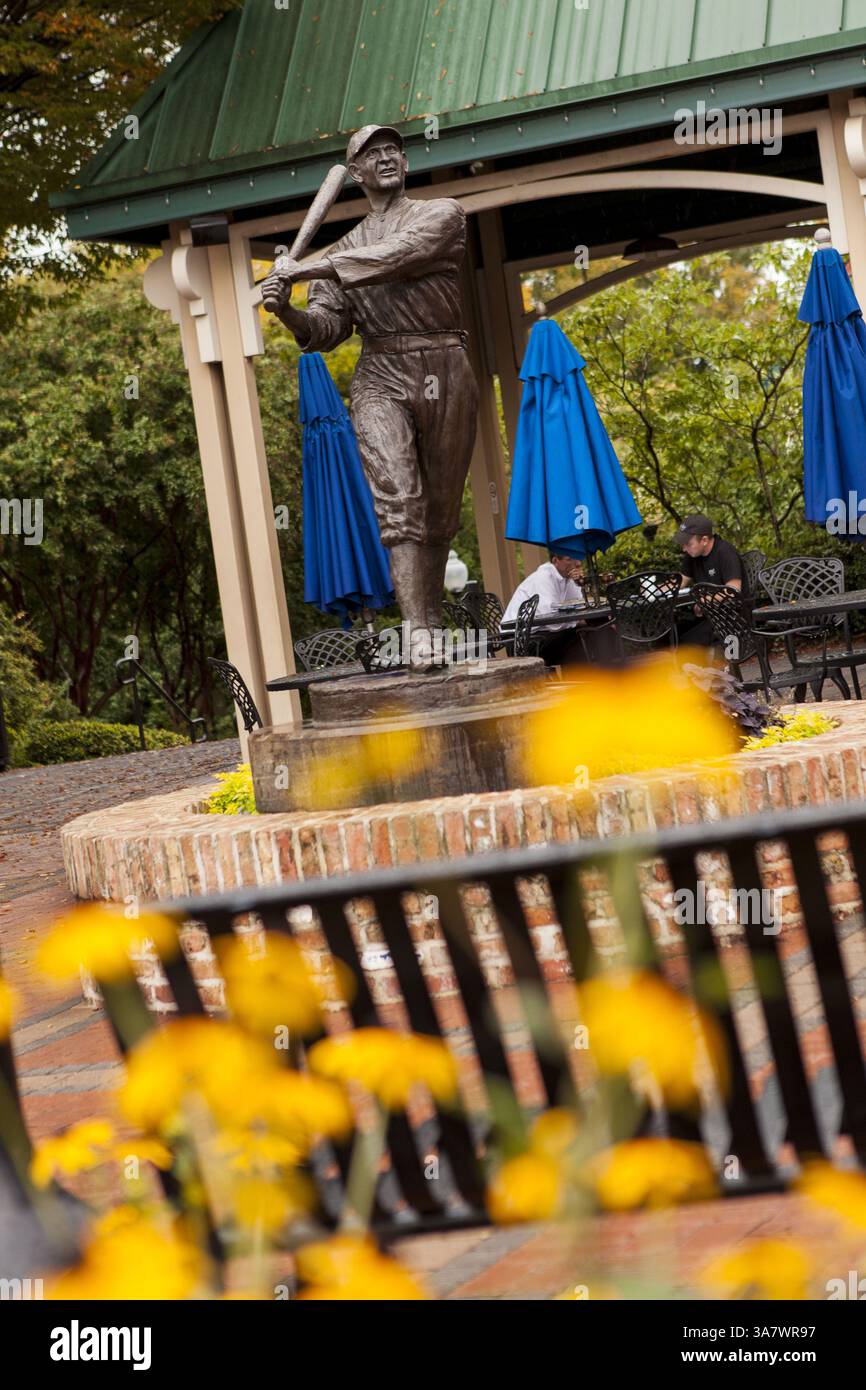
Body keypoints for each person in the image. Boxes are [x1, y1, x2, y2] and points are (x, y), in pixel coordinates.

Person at [260, 124, 478, 670]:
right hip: (380, 371)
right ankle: (417, 630)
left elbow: (398, 256)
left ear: (404, 162)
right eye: (370, 154)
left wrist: (303, 265)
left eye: (391, 150)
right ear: (354, 173)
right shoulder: (343, 247)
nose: (384, 157)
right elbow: (326, 329)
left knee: (440, 512)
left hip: (444, 363)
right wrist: (285, 307)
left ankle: (429, 620)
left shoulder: (442, 214)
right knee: (398, 497)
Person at [503, 550, 590, 665]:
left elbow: (580, 605)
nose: (578, 563)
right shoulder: (543, 578)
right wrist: (577, 622)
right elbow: (552, 622)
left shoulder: (567, 578)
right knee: (576, 637)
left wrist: (580, 583)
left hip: (541, 632)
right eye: (569, 559)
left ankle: (593, 675)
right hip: (520, 640)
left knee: (591, 631)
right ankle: (578, 679)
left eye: (577, 558)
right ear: (555, 561)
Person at [674, 513, 746, 645]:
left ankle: (731, 661)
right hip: (710, 615)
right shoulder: (692, 555)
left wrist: (703, 601)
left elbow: (733, 591)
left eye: (688, 544)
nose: (684, 548)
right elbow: (680, 582)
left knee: (689, 647)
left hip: (732, 616)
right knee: (676, 637)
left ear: (705, 540)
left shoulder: (725, 552)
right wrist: (653, 589)